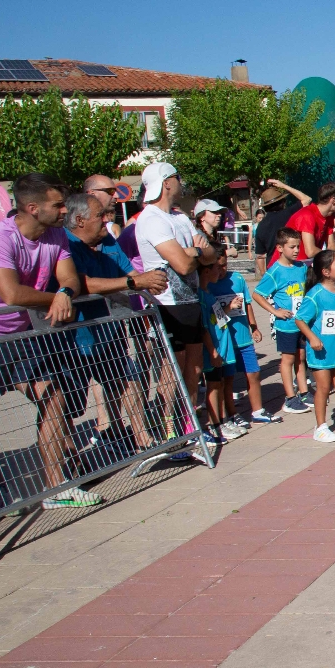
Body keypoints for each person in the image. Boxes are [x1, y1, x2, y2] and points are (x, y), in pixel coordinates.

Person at [0, 174, 90, 504]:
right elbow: (11, 293)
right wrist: (57, 298)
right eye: (58, 205)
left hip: (21, 333)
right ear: (32, 208)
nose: (65, 211)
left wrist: (64, 292)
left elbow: (69, 278)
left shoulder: (56, 234)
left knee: (53, 396)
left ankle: (57, 487)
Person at [62, 190, 171, 453]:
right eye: (100, 215)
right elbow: (81, 284)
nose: (107, 220)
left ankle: (143, 439)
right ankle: (70, 460)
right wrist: (135, 282)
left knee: (129, 381)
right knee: (66, 405)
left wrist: (150, 283)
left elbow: (132, 274)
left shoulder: (108, 240)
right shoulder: (65, 244)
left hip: (108, 331)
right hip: (71, 339)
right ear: (79, 220)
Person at [134, 162, 219, 432]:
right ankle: (166, 429)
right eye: (177, 178)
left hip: (190, 301)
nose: (181, 183)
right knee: (172, 372)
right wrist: (193, 252)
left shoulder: (179, 218)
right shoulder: (151, 219)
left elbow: (211, 254)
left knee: (195, 369)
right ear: (166, 182)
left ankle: (188, 426)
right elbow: (183, 265)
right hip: (167, 305)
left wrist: (195, 252)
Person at [294, 249, 335, 443]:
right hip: (321, 352)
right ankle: (321, 426)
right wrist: (312, 338)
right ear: (325, 272)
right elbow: (300, 320)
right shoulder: (315, 295)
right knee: (323, 387)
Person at [251, 229, 313, 415]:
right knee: (288, 359)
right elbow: (257, 295)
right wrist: (275, 311)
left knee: (301, 357)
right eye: (292, 247)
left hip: (301, 323)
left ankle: (304, 392)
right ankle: (290, 397)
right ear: (279, 248)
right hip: (286, 325)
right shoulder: (275, 272)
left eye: (298, 246)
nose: (296, 250)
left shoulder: (301, 267)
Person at [197, 256, 247, 440]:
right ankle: (214, 424)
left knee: (221, 383)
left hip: (223, 347)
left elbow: (216, 318)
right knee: (214, 385)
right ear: (206, 271)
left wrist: (229, 308)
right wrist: (212, 351)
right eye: (217, 269)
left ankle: (222, 420)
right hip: (214, 349)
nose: (220, 272)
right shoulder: (201, 297)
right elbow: (204, 327)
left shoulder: (208, 292)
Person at [281, 182, 335, 261]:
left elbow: (331, 246)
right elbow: (310, 251)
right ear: (333, 200)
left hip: (302, 264)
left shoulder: (329, 217)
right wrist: (333, 255)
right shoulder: (307, 215)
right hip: (286, 266)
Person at [253, 178, 310, 262]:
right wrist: (283, 186)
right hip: (290, 263)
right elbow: (307, 199)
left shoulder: (260, 226)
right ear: (282, 202)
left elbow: (260, 255)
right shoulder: (289, 213)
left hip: (272, 265)